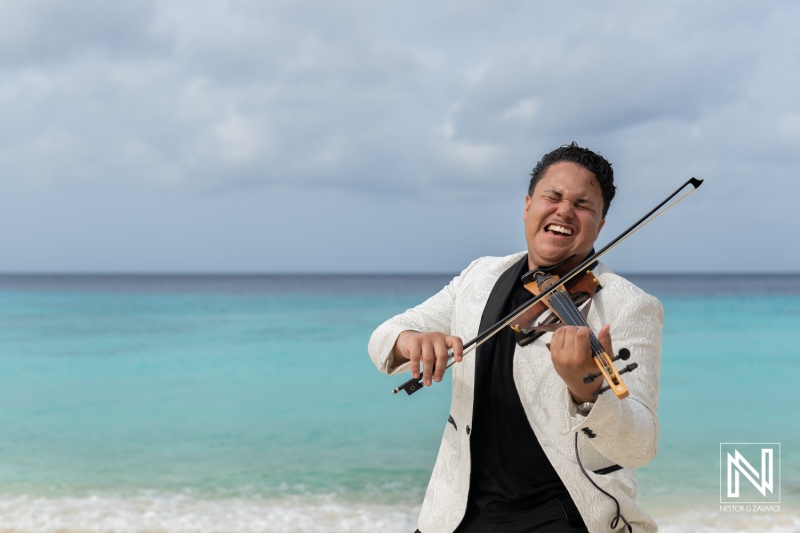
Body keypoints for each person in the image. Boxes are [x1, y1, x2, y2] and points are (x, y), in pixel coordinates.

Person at [368, 143, 663, 533]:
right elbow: (384, 336)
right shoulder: (481, 275)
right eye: (553, 197)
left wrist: (589, 391)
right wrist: (410, 340)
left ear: (601, 224)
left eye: (583, 205)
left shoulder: (627, 306)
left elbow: (639, 445)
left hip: (564, 514)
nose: (564, 211)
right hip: (457, 513)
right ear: (527, 205)